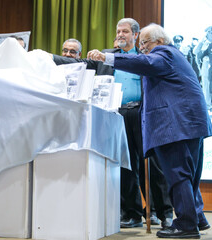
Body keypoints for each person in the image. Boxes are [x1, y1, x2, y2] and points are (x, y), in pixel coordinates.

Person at [87, 23, 212, 239]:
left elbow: (145, 61)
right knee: (188, 174)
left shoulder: (163, 53)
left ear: (159, 41)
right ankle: (196, 218)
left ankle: (186, 225)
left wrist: (107, 58)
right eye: (141, 44)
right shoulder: (174, 56)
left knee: (178, 174)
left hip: (175, 124)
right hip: (189, 123)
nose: (142, 48)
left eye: (145, 43)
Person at [53, 18, 173, 229]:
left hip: (142, 113)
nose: (120, 34)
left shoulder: (146, 57)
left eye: (125, 31)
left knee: (152, 166)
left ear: (136, 36)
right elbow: (77, 64)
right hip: (116, 115)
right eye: (118, 31)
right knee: (126, 166)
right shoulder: (106, 57)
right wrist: (47, 58)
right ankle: (133, 213)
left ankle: (162, 213)